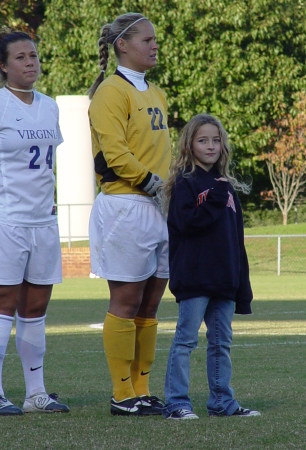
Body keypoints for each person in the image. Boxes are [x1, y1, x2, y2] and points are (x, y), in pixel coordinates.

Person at [88, 13, 171, 416]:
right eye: (147, 39)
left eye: (156, 39)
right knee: (125, 300)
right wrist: (150, 181)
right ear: (123, 44)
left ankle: (142, 388)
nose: (155, 45)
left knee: (151, 304)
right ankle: (122, 395)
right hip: (127, 204)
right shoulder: (110, 91)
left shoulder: (155, 92)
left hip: (158, 207)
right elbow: (115, 153)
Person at [161, 114, 261, 420]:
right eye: (203, 140)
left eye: (216, 140)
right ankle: (176, 402)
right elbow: (186, 223)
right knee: (186, 340)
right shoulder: (185, 183)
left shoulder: (225, 186)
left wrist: (240, 283)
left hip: (224, 279)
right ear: (189, 144)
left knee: (221, 343)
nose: (211, 146)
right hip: (194, 277)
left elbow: (236, 239)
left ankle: (222, 402)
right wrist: (215, 199)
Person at [0, 29, 69, 415]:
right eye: (21, 57)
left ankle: (36, 394)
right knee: (4, 304)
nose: (30, 63)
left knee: (36, 307)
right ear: (4, 66)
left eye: (34, 56)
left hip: (44, 221)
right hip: (7, 220)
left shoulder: (50, 106)